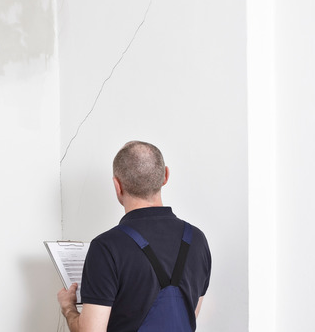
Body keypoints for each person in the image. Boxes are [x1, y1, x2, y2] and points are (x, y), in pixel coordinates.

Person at [57, 141, 211, 332]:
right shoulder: (197, 239)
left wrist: (68, 308)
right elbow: (189, 316)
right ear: (165, 176)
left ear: (117, 185)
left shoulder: (106, 247)